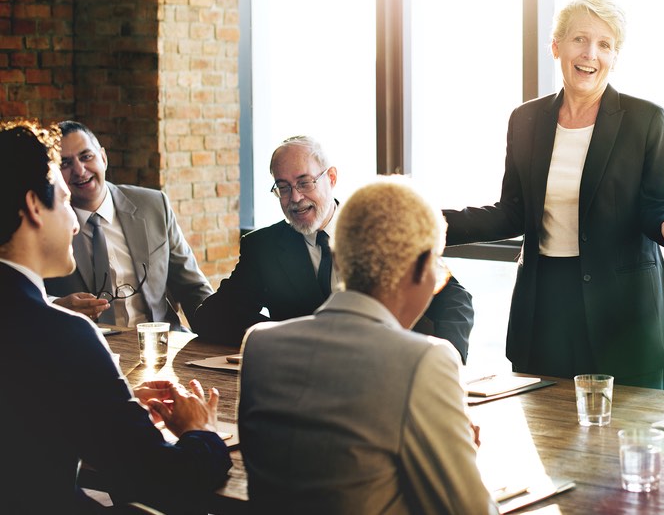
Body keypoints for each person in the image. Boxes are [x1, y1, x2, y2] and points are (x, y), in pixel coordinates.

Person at [443, 0, 664, 389]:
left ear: (615, 56)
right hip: (545, 307)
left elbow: (658, 204)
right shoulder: (525, 120)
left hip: (625, 314)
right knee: (550, 440)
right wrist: (427, 224)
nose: (591, 53)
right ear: (556, 47)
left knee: (631, 444)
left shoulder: (646, 120)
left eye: (605, 44)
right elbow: (513, 212)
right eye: (579, 39)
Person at [0, 119, 230, 513]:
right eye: (61, 195)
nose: (74, 222)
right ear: (34, 206)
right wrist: (202, 432)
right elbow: (162, 478)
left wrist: (105, 405)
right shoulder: (64, 334)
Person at [238, 176, 497, 514]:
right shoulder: (425, 362)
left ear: (340, 257)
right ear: (421, 268)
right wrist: (460, 455)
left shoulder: (260, 345)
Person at [191, 135, 475, 361]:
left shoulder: (379, 231)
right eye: (284, 187)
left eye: (305, 182)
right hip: (302, 385)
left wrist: (446, 365)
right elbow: (210, 317)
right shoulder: (263, 247)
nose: (296, 198)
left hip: (382, 374)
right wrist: (279, 338)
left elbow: (455, 302)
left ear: (332, 178)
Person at [45, 120, 213, 330]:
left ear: (103, 158)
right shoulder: (43, 222)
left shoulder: (153, 206)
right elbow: (17, 293)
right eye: (65, 163)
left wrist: (221, 333)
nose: (79, 170)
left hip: (160, 344)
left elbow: (193, 287)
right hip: (85, 349)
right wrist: (55, 305)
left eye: (86, 157)